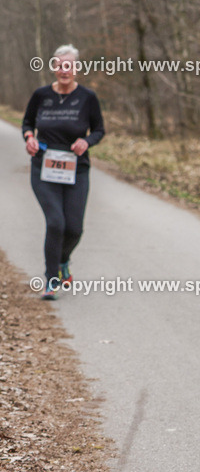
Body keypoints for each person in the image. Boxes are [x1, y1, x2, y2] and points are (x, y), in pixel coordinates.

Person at [22, 44, 105, 300]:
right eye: (59, 65)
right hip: (44, 167)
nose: (63, 70)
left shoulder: (87, 98)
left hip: (76, 170)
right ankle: (51, 279)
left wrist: (86, 142)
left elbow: (99, 130)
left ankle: (63, 260)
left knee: (75, 228)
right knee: (56, 222)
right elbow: (27, 122)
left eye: (68, 65)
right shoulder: (41, 95)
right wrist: (28, 138)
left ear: (76, 68)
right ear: (54, 68)